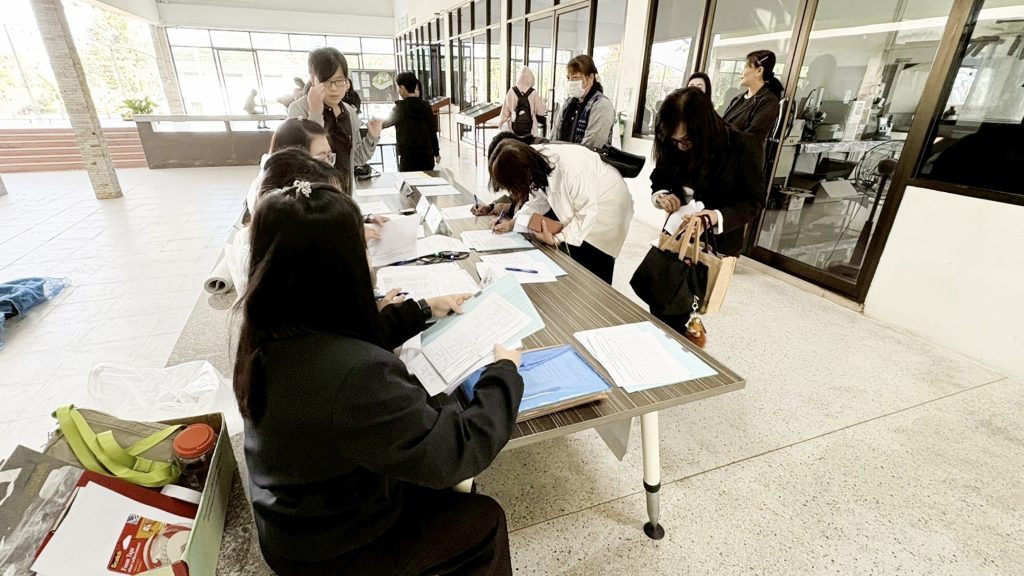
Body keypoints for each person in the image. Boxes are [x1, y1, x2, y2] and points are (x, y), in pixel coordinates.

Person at [235, 176, 524, 576]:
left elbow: (340, 342)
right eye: (364, 248)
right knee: (483, 519)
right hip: (332, 549)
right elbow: (457, 452)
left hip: (294, 518)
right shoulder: (358, 376)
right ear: (339, 268)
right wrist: (504, 373)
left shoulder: (271, 330)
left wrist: (421, 310)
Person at [649, 87, 766, 330]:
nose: (681, 147)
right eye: (675, 141)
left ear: (705, 127)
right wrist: (662, 196)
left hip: (713, 245)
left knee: (683, 308)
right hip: (676, 236)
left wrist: (716, 217)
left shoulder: (742, 145)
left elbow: (753, 201)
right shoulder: (673, 142)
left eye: (686, 140)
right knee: (660, 300)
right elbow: (659, 177)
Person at [489, 139, 634, 284]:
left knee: (595, 271)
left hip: (608, 207)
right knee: (576, 262)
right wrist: (513, 223)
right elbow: (538, 200)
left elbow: (588, 212)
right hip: (588, 204)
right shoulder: (531, 162)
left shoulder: (570, 170)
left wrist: (556, 239)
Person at [288, 47, 381, 183]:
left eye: (339, 80)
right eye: (326, 81)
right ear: (313, 79)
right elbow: (301, 161)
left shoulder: (348, 111)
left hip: (345, 190)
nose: (333, 88)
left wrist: (372, 137)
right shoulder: (298, 109)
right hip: (316, 191)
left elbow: (355, 159)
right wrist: (315, 114)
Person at [471, 131, 549, 217]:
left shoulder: (533, 166)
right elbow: (516, 197)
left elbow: (543, 210)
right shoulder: (521, 163)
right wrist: (491, 207)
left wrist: (510, 209)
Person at [721, 50, 783, 147]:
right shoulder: (737, 99)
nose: (741, 72)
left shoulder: (768, 102)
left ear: (759, 71)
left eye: (746, 67)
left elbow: (752, 138)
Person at [551, 55, 615, 148]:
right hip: (562, 156)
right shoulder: (568, 103)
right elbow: (554, 136)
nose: (571, 82)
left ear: (590, 78)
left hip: (587, 157)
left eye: (575, 78)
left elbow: (591, 146)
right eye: (568, 78)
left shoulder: (602, 105)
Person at [383, 72, 441, 172]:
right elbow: (432, 130)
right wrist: (436, 152)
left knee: (409, 181)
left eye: (398, 87)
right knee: (426, 180)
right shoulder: (426, 106)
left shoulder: (400, 107)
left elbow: (385, 123)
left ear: (402, 88)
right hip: (427, 156)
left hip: (409, 157)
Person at [499, 67, 546, 138]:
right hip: (531, 130)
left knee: (515, 144)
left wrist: (501, 122)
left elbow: (505, 112)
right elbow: (541, 112)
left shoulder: (511, 91)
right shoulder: (533, 92)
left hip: (513, 128)